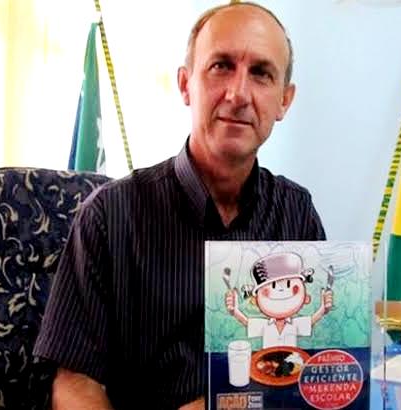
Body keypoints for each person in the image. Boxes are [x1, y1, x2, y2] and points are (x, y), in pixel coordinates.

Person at [33, 2, 326, 409]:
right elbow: (75, 380)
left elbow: (311, 368)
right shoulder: (109, 216)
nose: (239, 94)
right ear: (186, 85)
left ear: (284, 101)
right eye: (221, 66)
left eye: (261, 73)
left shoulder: (297, 214)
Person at [225, 252, 333, 349]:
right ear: (255, 301)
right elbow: (246, 322)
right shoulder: (265, 325)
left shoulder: (295, 324)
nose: (281, 291)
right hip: (267, 362)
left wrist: (324, 309)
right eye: (272, 287)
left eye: (289, 285)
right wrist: (234, 311)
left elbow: (312, 321)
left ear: (306, 298)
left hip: (292, 361)